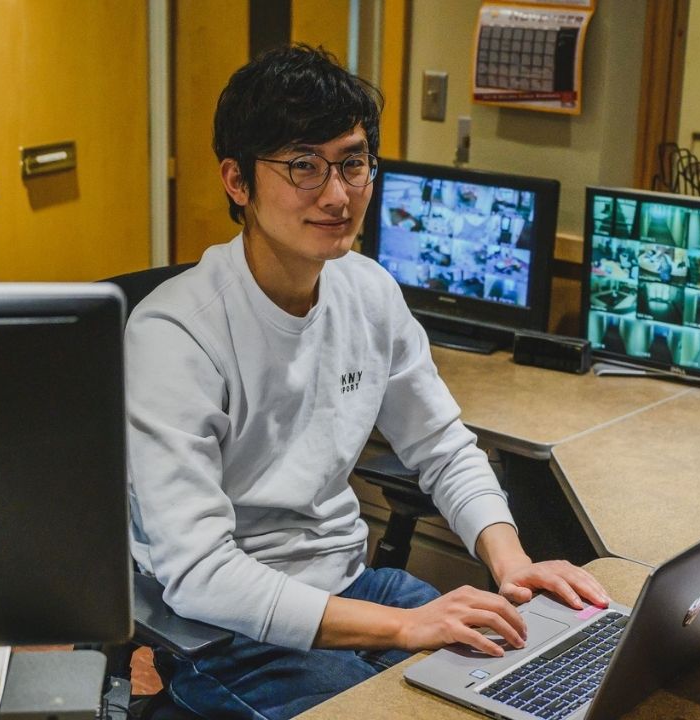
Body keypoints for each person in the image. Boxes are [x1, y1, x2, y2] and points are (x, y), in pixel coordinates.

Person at [124, 44, 608, 720]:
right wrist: (407, 627)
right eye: (303, 166)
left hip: (353, 585)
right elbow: (200, 574)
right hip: (223, 633)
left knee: (536, 680)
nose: (337, 193)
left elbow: (441, 444)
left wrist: (510, 559)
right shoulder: (175, 335)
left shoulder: (368, 289)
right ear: (237, 181)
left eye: (353, 162)